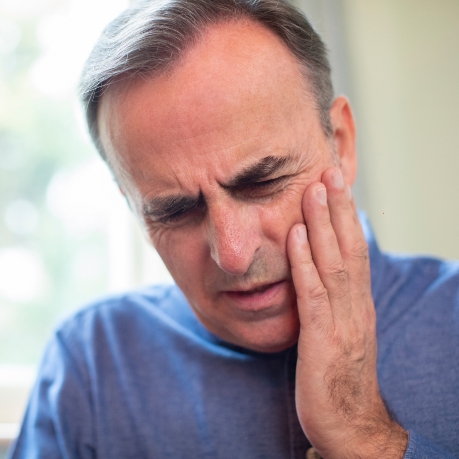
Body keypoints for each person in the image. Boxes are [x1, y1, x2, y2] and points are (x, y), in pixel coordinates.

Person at [9, 0, 459, 458]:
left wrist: (363, 437)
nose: (234, 253)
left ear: (340, 145)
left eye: (262, 182)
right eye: (175, 210)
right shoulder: (89, 367)